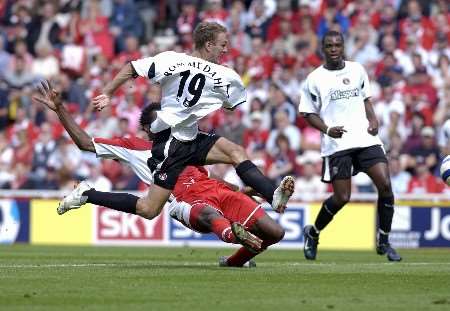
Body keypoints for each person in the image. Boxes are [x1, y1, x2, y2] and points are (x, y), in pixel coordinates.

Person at [32, 80, 285, 267]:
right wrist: (60, 109)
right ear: (147, 128)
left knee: (275, 233)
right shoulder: (134, 147)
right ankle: (232, 233)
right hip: (183, 201)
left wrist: (239, 191)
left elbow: (207, 176)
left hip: (215, 191)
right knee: (202, 213)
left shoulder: (188, 142)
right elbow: (85, 143)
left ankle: (234, 261)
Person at [63, 21, 294, 224]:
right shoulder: (224, 74)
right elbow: (231, 105)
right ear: (208, 45)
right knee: (149, 209)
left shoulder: (170, 59)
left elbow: (131, 68)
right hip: (171, 144)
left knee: (236, 151)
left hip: (191, 137)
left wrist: (107, 93)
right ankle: (87, 194)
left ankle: (273, 195)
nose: (226, 49)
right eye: (223, 44)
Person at [298, 30, 402, 262]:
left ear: (343, 47)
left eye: (337, 45)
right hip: (337, 142)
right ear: (323, 49)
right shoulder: (314, 78)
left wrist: (373, 120)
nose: (334, 49)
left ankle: (384, 242)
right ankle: (313, 234)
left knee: (385, 185)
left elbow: (365, 99)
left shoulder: (357, 70)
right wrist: (327, 130)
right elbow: (307, 113)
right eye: (329, 46)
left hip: (365, 138)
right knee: (342, 197)